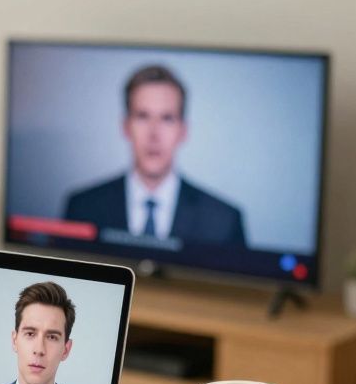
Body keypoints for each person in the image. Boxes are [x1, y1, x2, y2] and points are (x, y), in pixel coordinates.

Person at [64, 64, 247, 247]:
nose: (154, 134)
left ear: (183, 131)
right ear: (126, 127)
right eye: (143, 116)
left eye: (167, 118)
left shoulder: (223, 221)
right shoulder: (82, 208)